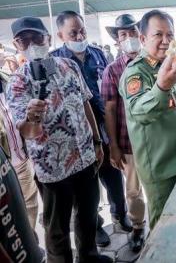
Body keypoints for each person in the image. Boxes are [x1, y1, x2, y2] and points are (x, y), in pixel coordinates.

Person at [7, 16, 112, 263]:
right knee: (57, 228)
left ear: (49, 38)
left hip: (85, 158)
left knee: (87, 215)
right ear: (16, 45)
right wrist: (33, 117)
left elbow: (86, 102)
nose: (33, 44)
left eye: (38, 38)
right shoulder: (18, 82)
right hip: (53, 170)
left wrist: (97, 142)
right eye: (25, 40)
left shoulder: (69, 66)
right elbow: (27, 132)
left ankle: (89, 256)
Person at [51, 10, 129, 247]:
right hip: (77, 134)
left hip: (105, 126)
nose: (79, 35)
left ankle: (120, 214)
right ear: (61, 35)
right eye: (73, 32)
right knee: (87, 185)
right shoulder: (56, 61)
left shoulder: (98, 55)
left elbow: (109, 91)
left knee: (114, 175)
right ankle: (95, 226)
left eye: (82, 30)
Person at [119, 9, 176, 230]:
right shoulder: (136, 73)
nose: (165, 41)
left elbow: (172, 104)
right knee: (163, 229)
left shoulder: (165, 64)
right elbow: (141, 112)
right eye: (158, 35)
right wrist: (162, 86)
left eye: (169, 35)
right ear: (142, 39)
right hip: (161, 168)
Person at [102, 13, 146, 252]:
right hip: (128, 142)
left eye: (132, 33)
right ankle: (138, 227)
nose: (129, 38)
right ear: (117, 40)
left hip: (154, 140)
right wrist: (114, 145)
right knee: (133, 190)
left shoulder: (152, 63)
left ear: (140, 35)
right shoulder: (112, 70)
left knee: (157, 185)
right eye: (123, 35)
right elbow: (109, 108)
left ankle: (161, 221)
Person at [0, 70, 38, 230]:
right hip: (3, 166)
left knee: (30, 204)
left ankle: (30, 245)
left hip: (20, 157)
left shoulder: (7, 78)